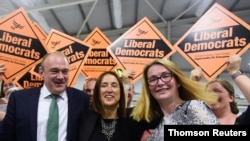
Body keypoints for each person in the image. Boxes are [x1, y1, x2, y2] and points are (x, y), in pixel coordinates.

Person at [0, 51, 90, 141]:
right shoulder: (19, 99)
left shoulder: (81, 99)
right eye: (54, 71)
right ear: (41, 72)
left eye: (65, 71)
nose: (61, 77)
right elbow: (6, 136)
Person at [130, 59, 219, 140]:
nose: (160, 83)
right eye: (153, 79)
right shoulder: (157, 122)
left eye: (165, 76)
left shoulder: (194, 107)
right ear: (148, 88)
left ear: (178, 82)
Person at [78, 71, 130, 141]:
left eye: (114, 85)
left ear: (121, 92)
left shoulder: (131, 120)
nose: (109, 90)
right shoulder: (84, 120)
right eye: (104, 85)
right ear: (98, 93)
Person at [226, 54, 250, 124]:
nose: (211, 95)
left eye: (217, 91)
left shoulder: (243, 121)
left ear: (231, 97)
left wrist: (234, 72)